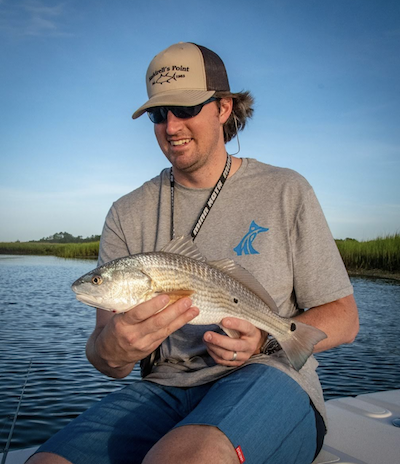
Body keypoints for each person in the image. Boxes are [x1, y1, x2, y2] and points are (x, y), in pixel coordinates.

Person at [28, 42, 359, 464]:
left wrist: (264, 342)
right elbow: (106, 359)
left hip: (269, 377)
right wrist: (114, 348)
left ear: (223, 107)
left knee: (185, 457)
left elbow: (346, 320)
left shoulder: (286, 189)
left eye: (185, 109)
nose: (171, 126)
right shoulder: (126, 212)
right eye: (158, 113)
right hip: (162, 390)